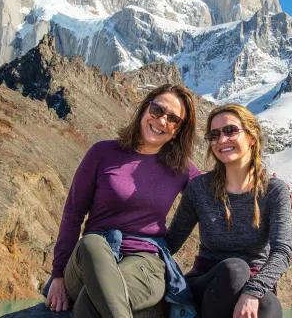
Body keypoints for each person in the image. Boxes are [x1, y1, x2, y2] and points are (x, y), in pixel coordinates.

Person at [45, 84, 201, 318]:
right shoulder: (102, 153)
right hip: (89, 262)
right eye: (157, 110)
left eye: (173, 119)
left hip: (145, 263)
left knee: (92, 301)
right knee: (92, 244)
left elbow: (214, 201)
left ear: (178, 130)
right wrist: (57, 275)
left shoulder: (182, 170)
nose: (161, 121)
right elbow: (73, 214)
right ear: (145, 109)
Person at [166, 104, 292, 318]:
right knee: (235, 269)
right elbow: (171, 242)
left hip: (255, 281)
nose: (222, 140)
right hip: (207, 282)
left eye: (230, 131)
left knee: (269, 306)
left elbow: (282, 252)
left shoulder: (274, 191)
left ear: (252, 137)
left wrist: (252, 291)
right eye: (214, 135)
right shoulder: (199, 188)